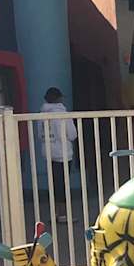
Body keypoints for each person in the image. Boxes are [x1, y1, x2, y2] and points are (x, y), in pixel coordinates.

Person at [39, 87, 77, 222]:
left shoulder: (41, 114)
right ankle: (63, 214)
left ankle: (55, 213)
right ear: (58, 99)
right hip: (63, 152)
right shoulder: (62, 113)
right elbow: (72, 134)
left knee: (54, 184)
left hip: (48, 152)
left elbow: (39, 134)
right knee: (63, 184)